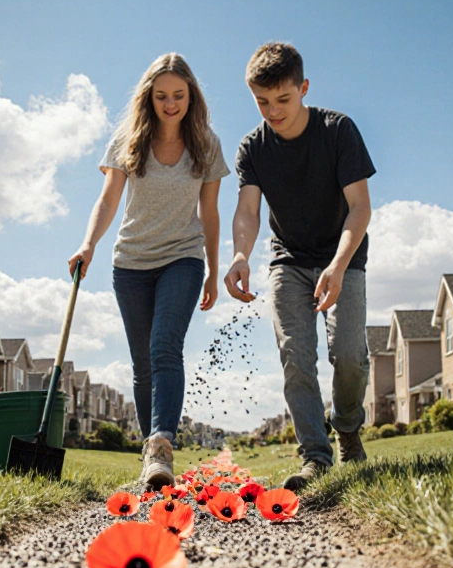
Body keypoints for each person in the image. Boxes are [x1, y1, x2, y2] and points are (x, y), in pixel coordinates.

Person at [69, 53, 227, 490]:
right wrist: (89, 243)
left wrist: (213, 270)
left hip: (183, 257)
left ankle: (161, 445)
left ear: (191, 95)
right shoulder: (129, 139)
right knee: (142, 366)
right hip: (132, 263)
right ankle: (149, 455)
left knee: (164, 347)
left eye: (178, 95)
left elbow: (209, 213)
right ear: (149, 97)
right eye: (161, 96)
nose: (170, 103)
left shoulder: (207, 144)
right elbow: (108, 201)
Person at [224, 42, 374, 491]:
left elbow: (360, 208)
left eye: (283, 100)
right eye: (262, 102)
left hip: (343, 259)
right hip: (288, 261)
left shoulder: (338, 130)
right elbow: (248, 211)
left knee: (349, 357)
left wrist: (338, 264)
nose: (273, 111)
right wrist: (239, 255)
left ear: (304, 88)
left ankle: (347, 427)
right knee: (296, 357)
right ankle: (316, 456)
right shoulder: (253, 147)